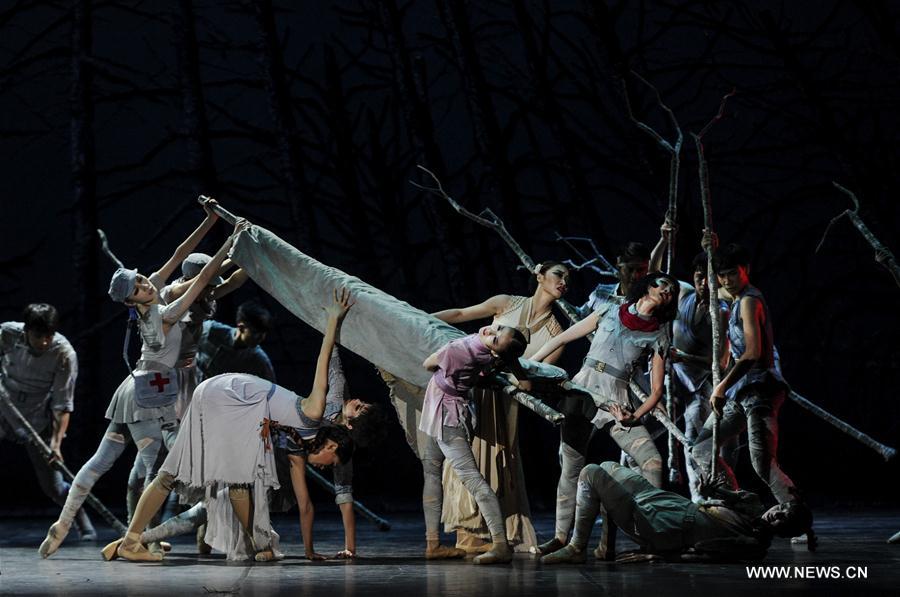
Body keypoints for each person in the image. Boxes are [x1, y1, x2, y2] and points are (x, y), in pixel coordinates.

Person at [102, 289, 365, 562]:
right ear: (331, 445)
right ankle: (257, 544)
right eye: (330, 461)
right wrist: (333, 320)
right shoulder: (313, 413)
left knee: (177, 475)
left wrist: (309, 551)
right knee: (232, 481)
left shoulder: (298, 442)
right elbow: (324, 362)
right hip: (229, 398)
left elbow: (304, 503)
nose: (323, 467)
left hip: (216, 394)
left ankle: (130, 541)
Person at [38, 200, 238, 558]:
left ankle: (64, 521)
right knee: (153, 467)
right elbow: (203, 278)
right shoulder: (162, 314)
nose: (147, 283)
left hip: (134, 387)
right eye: (140, 287)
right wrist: (233, 241)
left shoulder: (152, 294)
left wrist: (209, 220)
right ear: (132, 301)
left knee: (102, 460)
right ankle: (136, 540)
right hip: (151, 394)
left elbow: (179, 255)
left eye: (143, 280)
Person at [530, 273, 680, 555]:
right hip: (583, 393)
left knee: (653, 462)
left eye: (672, 291)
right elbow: (561, 338)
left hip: (616, 401)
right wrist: (528, 366)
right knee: (571, 468)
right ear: (648, 287)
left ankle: (653, 537)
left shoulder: (659, 334)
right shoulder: (611, 309)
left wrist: (634, 417)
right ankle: (561, 539)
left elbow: (657, 390)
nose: (668, 291)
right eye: (663, 285)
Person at [431, 261, 569, 553]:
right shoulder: (507, 303)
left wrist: (507, 372)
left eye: (568, 278)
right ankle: (469, 535)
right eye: (559, 274)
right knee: (462, 463)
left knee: (495, 461)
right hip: (473, 392)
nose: (563, 281)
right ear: (540, 275)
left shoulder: (557, 332)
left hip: (503, 401)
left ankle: (497, 535)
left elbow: (534, 377)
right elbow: (460, 314)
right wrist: (418, 320)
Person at [540, 461, 816, 564]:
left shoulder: (753, 546)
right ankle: (605, 547)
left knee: (591, 473)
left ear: (785, 532)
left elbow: (701, 555)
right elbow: (720, 495)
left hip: (661, 525)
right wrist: (711, 488)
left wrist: (658, 555)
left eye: (782, 520)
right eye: (780, 508)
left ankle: (577, 548)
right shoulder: (754, 503)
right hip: (668, 502)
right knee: (610, 466)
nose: (775, 515)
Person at [695, 242, 800, 506]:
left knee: (762, 463)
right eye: (722, 275)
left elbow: (752, 353)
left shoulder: (750, 301)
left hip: (759, 392)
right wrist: (709, 250)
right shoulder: (735, 296)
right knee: (701, 447)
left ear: (746, 270)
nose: (727, 280)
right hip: (740, 393)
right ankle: (738, 506)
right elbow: (713, 288)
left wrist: (721, 388)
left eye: (733, 273)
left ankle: (796, 516)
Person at [419, 323, 530, 564]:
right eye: (497, 328)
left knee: (473, 480)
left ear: (496, 352)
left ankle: (501, 544)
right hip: (442, 408)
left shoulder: (461, 348)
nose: (491, 332)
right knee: (431, 471)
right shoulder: (484, 352)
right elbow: (525, 383)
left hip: (446, 415)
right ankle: (433, 545)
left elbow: (427, 364)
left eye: (496, 338)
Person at [0, 304, 94, 539]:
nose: (44, 342)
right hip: (4, 405)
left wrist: (55, 444)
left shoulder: (63, 354)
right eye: (38, 336)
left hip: (35, 417)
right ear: (26, 331)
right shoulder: (7, 334)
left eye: (48, 336)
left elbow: (62, 404)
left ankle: (79, 518)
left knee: (52, 486)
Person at [668, 253, 735, 500]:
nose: (703, 283)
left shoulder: (720, 312)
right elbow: (653, 277)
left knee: (697, 440)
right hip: (673, 378)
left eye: (708, 278)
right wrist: (664, 241)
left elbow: (720, 362)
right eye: (699, 277)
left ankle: (705, 495)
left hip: (702, 383)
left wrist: (683, 356)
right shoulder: (683, 293)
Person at [196, 300, 276, 382]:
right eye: (255, 332)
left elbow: (271, 387)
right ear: (241, 327)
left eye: (263, 333)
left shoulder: (259, 360)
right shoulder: (210, 330)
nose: (261, 338)